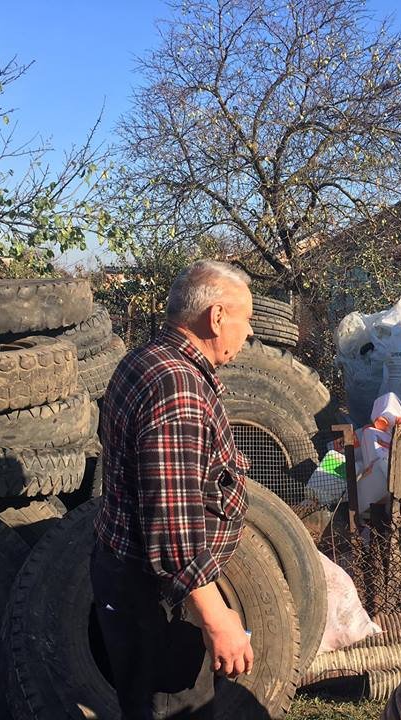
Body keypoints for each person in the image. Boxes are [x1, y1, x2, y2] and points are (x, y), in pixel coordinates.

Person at [91, 259, 255, 719]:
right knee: (174, 708)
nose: (248, 335)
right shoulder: (178, 386)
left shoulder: (143, 359)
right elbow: (172, 521)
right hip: (160, 595)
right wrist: (216, 616)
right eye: (246, 320)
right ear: (217, 317)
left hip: (134, 578)